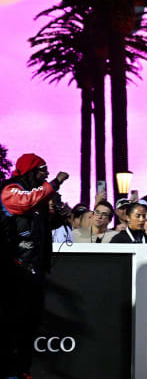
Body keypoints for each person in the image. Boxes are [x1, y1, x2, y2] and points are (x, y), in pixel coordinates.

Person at [0, 153, 69, 378]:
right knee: (13, 325)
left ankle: (22, 371)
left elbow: (39, 227)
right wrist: (55, 182)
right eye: (42, 169)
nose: (47, 174)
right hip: (13, 271)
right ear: (30, 172)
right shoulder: (10, 190)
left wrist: (58, 216)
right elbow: (24, 203)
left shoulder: (38, 201)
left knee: (30, 325)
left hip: (33, 271)